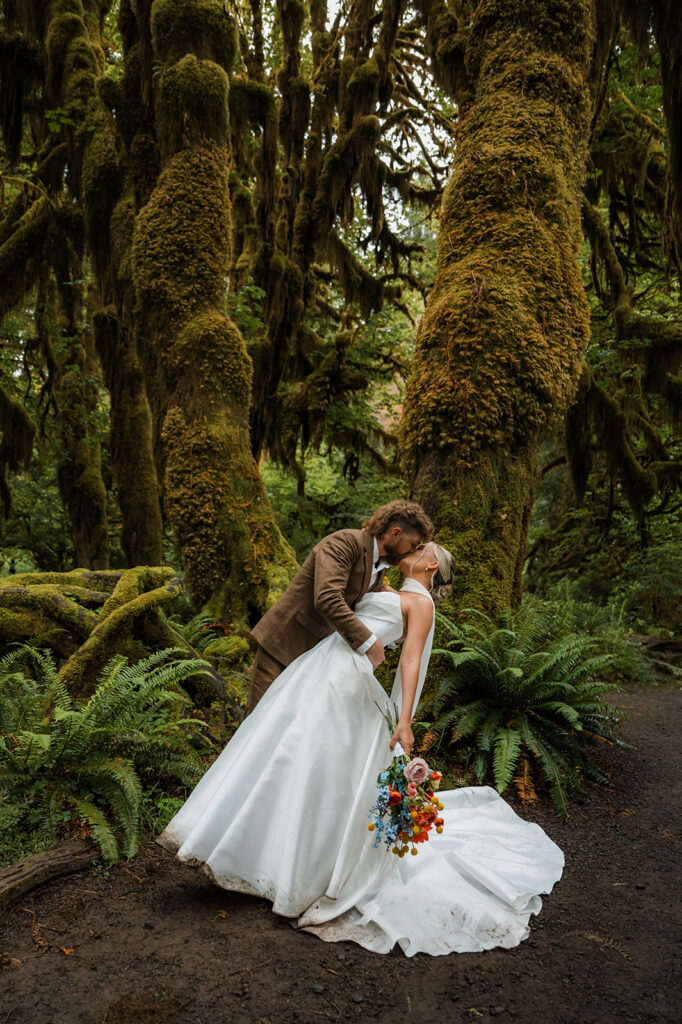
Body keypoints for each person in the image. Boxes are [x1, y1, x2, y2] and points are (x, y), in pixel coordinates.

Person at [157, 540, 564, 957]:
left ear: (430, 567)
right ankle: (245, 850)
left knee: (319, 769)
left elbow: (409, 659)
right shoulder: (389, 588)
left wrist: (404, 720)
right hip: (315, 670)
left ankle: (302, 871)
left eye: (424, 548)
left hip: (348, 685)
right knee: (284, 757)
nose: (415, 548)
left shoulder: (420, 603)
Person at [245, 499, 434, 714]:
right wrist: (370, 643)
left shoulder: (379, 565)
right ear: (396, 533)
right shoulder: (343, 543)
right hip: (284, 646)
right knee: (257, 722)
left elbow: (361, 608)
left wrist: (395, 634)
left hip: (315, 657)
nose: (411, 552)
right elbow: (328, 598)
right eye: (412, 544)